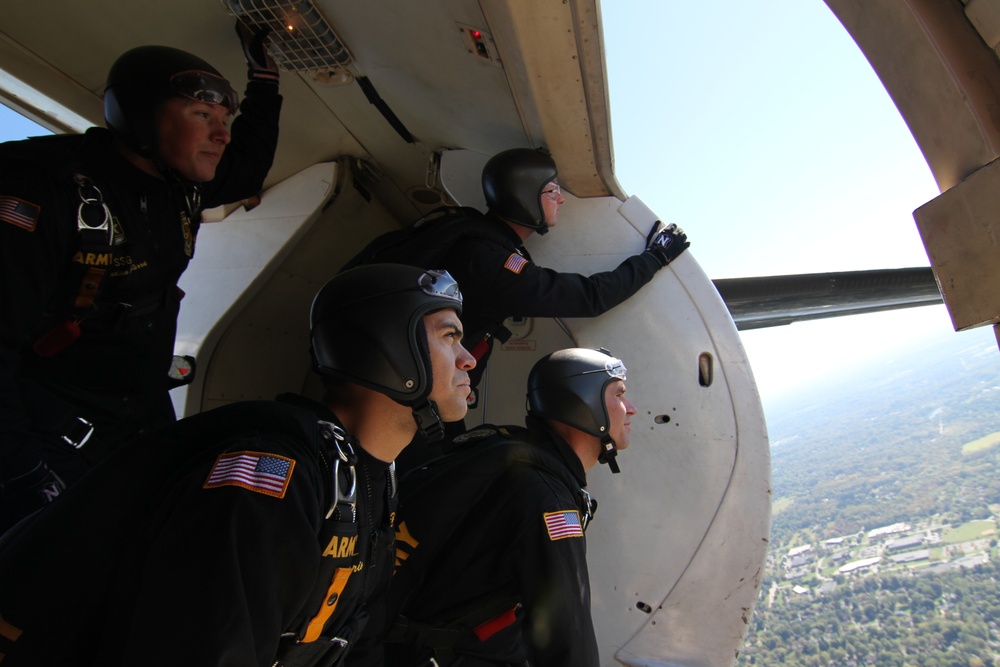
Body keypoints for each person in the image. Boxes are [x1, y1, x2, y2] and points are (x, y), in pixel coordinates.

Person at [0, 263, 477, 667]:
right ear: (392, 349)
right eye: (449, 337)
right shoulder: (271, 476)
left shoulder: (370, 481)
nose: (468, 359)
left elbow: (354, 639)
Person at [0, 25, 283, 532]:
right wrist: (22, 475)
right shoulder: (48, 193)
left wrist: (265, 80)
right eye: (202, 115)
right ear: (140, 117)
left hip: (140, 414)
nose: (221, 134)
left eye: (224, 119)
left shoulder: (180, 184)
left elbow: (251, 161)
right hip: (54, 428)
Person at [351, 347, 638, 667]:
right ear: (586, 403)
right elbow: (569, 639)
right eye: (620, 394)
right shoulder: (550, 501)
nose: (632, 408)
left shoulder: (505, 459)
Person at [342, 147, 689, 395]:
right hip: (410, 390)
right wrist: (655, 258)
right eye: (552, 190)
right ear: (526, 197)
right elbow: (589, 298)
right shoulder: (491, 261)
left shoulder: (469, 232)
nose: (561, 199)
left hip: (394, 376)